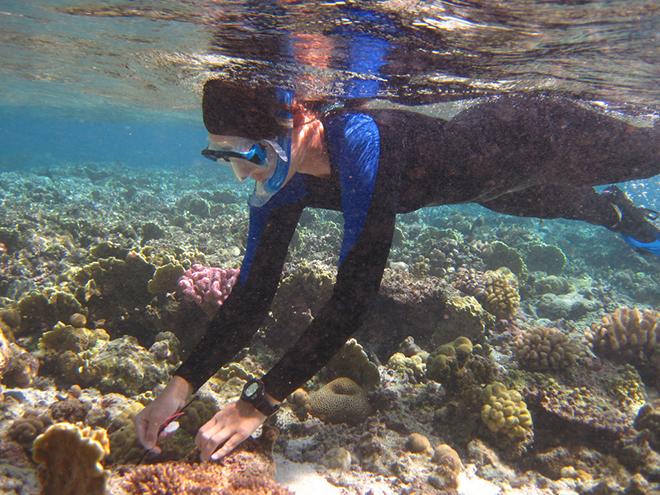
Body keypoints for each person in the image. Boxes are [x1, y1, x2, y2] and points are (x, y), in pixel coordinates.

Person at [135, 79, 659, 463]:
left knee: (649, 153)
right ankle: (617, 213)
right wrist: (179, 386)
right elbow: (251, 296)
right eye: (222, 159)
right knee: (582, 206)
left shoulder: (360, 141)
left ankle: (620, 203)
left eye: (251, 155)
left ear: (296, 123)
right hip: (495, 190)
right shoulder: (282, 179)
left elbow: (351, 301)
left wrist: (258, 402)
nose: (243, 174)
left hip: (533, 135)